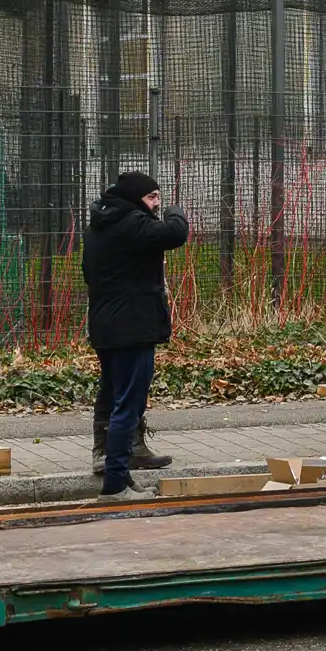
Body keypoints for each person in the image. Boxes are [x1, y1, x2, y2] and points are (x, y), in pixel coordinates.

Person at [82, 171, 191, 499]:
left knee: (115, 395)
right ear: (135, 199)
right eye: (152, 198)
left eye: (158, 198)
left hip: (106, 324)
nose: (156, 205)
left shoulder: (99, 225)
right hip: (132, 327)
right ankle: (115, 482)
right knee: (128, 403)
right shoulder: (131, 223)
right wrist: (175, 209)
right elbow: (176, 232)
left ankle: (119, 472)